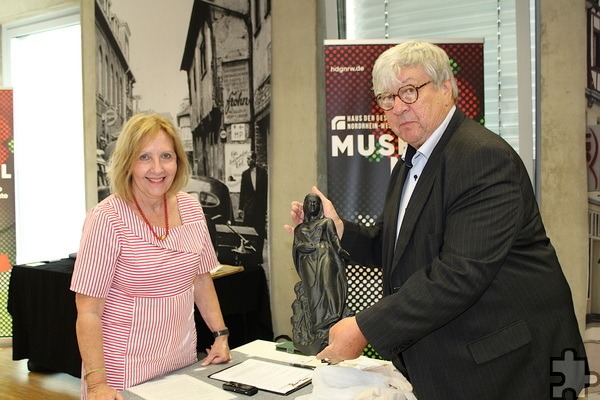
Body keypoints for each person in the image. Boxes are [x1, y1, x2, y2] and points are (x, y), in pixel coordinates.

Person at [285, 41, 588, 399]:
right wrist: (341, 232)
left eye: (410, 91)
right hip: (453, 358)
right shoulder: (411, 160)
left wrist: (363, 328)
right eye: (386, 97)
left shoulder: (482, 157)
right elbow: (396, 246)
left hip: (508, 363)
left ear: (447, 88)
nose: (397, 107)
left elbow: (460, 273)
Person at [71, 113, 231, 400]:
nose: (157, 168)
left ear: (178, 161)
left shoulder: (192, 210)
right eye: (144, 157)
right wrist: (96, 384)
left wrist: (220, 335)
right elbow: (88, 311)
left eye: (166, 156)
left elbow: (201, 279)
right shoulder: (106, 218)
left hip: (181, 361)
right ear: (128, 163)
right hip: (121, 371)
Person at [291, 193, 352, 355]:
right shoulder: (300, 229)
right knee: (313, 294)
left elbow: (334, 239)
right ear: (304, 206)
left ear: (320, 207)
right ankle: (317, 328)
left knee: (328, 289)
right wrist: (301, 248)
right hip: (308, 262)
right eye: (309, 203)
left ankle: (330, 324)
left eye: (315, 203)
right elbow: (296, 248)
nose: (312, 206)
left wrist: (340, 251)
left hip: (325, 258)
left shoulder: (326, 222)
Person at [238, 151, 268, 261]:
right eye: (246, 159)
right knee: (248, 232)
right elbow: (242, 192)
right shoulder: (245, 174)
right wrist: (241, 208)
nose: (247, 161)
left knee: (259, 232)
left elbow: (265, 191)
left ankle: (258, 256)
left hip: (260, 208)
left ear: (254, 160)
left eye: (249, 159)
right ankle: (249, 255)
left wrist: (265, 207)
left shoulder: (263, 173)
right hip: (249, 208)